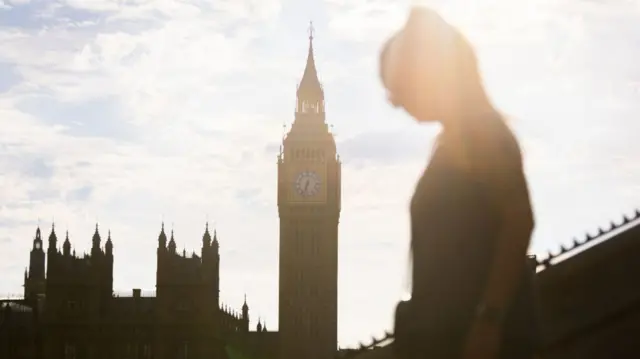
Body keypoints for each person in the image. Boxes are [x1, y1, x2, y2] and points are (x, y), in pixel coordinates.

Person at [380, 6, 539, 359]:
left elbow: (519, 220)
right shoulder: (452, 142)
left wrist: (488, 321)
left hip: (474, 340)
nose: (396, 104)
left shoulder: (481, 133)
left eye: (397, 90)